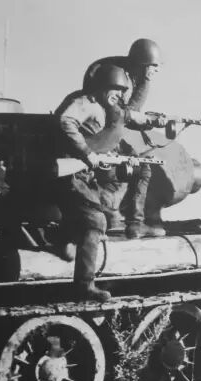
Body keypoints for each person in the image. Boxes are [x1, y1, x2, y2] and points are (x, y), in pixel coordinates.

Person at [55, 63, 163, 302]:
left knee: (91, 213)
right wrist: (87, 153)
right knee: (95, 220)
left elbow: (131, 116)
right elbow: (65, 121)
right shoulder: (87, 102)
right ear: (102, 87)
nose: (119, 95)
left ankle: (63, 242)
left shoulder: (107, 109)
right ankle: (84, 286)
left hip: (83, 175)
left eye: (122, 91)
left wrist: (156, 122)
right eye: (115, 89)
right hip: (69, 172)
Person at [83, 38, 165, 238]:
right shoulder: (117, 75)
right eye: (153, 66)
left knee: (139, 166)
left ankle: (130, 223)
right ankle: (130, 222)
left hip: (106, 131)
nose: (156, 71)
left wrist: (149, 121)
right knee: (136, 169)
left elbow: (126, 115)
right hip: (97, 134)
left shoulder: (128, 73)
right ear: (143, 64)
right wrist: (145, 84)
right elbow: (123, 114)